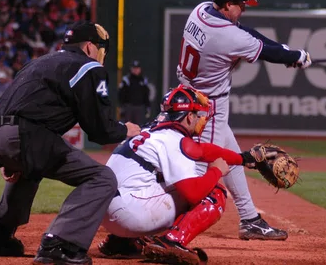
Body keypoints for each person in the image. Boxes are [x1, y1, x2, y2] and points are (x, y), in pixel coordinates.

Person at [176, 0, 311, 240]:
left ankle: (250, 219)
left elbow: (248, 34)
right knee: (203, 173)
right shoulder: (227, 36)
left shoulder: (201, 10)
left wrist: (286, 52)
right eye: (241, 4)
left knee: (234, 158)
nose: (245, 8)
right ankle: (163, 227)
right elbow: (263, 50)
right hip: (207, 110)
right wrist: (295, 56)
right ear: (227, 4)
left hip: (188, 97)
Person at [0, 21, 141, 264]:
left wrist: (6, 152)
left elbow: (10, 102)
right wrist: (124, 129)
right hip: (26, 135)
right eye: (102, 48)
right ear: (90, 47)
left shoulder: (39, 61)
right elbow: (99, 130)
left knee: (30, 168)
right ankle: (60, 243)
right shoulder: (88, 67)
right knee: (102, 178)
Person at [98, 84, 269, 263]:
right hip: (131, 215)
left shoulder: (153, 131)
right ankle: (172, 241)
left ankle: (122, 242)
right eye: (198, 115)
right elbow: (193, 194)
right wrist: (216, 171)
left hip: (106, 212)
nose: (201, 120)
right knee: (213, 192)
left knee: (158, 177)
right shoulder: (174, 139)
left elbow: (201, 151)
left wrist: (244, 158)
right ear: (188, 116)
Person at [118, 60, 151, 125]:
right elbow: (121, 94)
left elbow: (146, 94)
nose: (136, 70)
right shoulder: (126, 80)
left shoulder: (143, 80)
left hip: (140, 107)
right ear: (131, 69)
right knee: (128, 126)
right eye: (134, 68)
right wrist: (122, 107)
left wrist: (147, 107)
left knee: (139, 127)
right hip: (128, 107)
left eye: (137, 68)